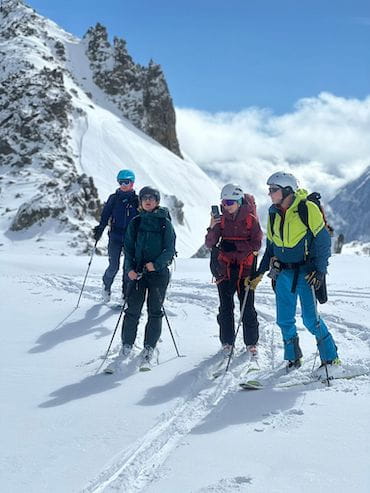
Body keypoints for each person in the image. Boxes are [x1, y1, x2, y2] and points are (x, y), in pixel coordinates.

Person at [249, 171, 339, 374]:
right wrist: (260, 272)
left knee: (310, 319)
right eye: (269, 189)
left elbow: (323, 240)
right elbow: (271, 247)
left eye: (274, 190)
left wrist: (320, 270)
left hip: (306, 273)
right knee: (284, 319)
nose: (270, 194)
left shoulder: (307, 209)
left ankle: (331, 359)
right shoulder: (273, 212)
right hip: (282, 274)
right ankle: (293, 358)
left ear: (287, 190)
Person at [120, 186, 176, 367]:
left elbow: (170, 249)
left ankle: (149, 346)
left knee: (155, 311)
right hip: (137, 272)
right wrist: (129, 268)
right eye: (144, 198)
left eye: (152, 198)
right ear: (141, 202)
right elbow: (127, 249)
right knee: (132, 310)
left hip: (158, 274)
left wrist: (156, 264)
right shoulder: (135, 223)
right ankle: (126, 344)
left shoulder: (164, 223)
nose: (148, 200)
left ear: (157, 201)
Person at [205, 184, 263, 357]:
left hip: (245, 270)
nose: (226, 205)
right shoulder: (220, 220)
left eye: (230, 202)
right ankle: (227, 342)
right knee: (225, 307)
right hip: (225, 269)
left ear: (238, 201)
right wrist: (211, 226)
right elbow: (210, 243)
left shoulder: (251, 219)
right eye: (224, 202)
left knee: (247, 306)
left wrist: (234, 246)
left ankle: (251, 343)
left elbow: (257, 244)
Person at [93, 169, 139, 302]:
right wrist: (99, 229)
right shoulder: (114, 198)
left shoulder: (137, 200)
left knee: (128, 268)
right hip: (115, 237)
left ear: (132, 183)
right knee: (113, 266)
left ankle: (125, 295)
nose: (123, 185)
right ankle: (106, 287)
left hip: (131, 239)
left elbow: (142, 218)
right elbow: (105, 215)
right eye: (121, 182)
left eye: (126, 182)